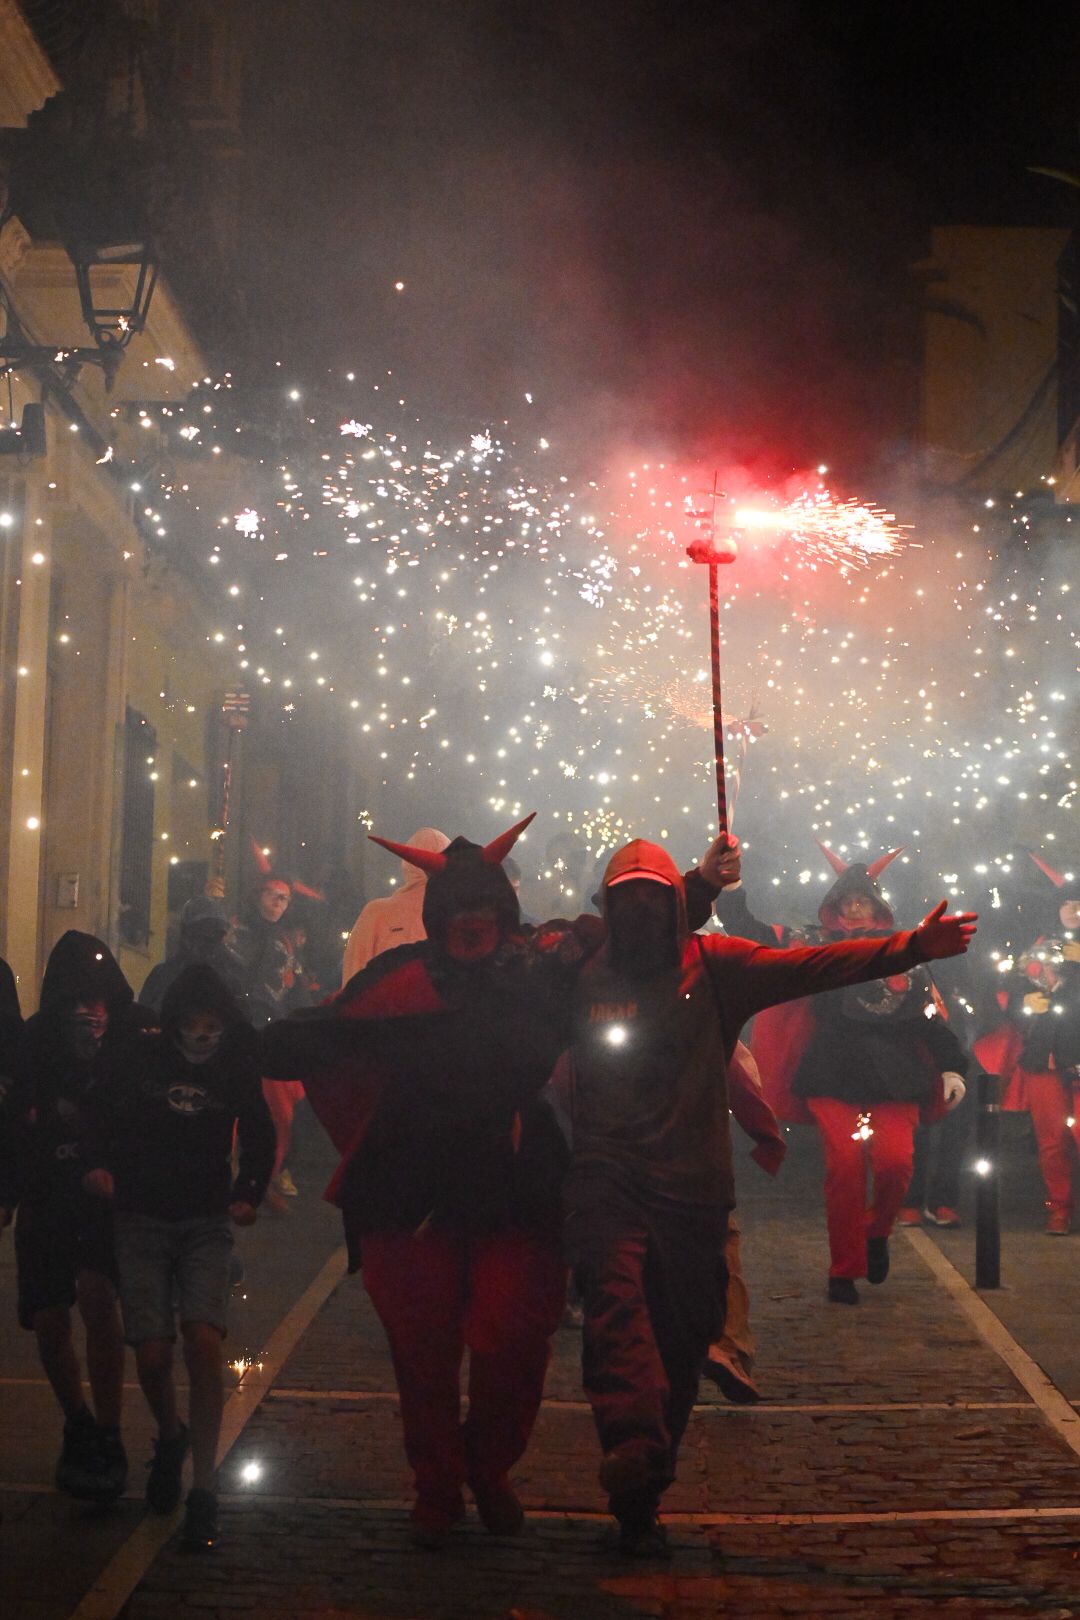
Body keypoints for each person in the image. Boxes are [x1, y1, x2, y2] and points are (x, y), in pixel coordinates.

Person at [260, 814, 731, 1551]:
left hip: (518, 1186)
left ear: (505, 912)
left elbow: (635, 939)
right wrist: (237, 1043)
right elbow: (332, 1029)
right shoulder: (399, 977)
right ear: (437, 915)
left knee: (515, 1338)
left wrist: (698, 885)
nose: (474, 922)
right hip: (411, 1192)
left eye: (487, 909)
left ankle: (488, 1468)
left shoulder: (544, 966)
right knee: (422, 1353)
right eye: (460, 910)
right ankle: (439, 1487)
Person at [563, 837, 975, 1554]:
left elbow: (817, 965)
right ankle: (630, 1446)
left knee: (688, 1335)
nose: (635, 911)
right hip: (608, 1178)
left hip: (691, 1188)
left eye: (650, 898)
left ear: (670, 908)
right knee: (615, 1312)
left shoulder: (716, 968)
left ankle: (648, 1476)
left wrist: (909, 947)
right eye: (623, 898)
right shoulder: (578, 968)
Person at [717, 846, 970, 1305]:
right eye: (847, 901)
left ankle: (876, 1233)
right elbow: (748, 931)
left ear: (877, 906)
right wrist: (732, 887)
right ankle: (844, 1270)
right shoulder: (811, 942)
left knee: (896, 1167)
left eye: (863, 901)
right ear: (834, 907)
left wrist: (952, 1065)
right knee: (844, 1171)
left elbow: (928, 1015)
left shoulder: (907, 949)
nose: (855, 908)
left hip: (898, 1078)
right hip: (832, 1073)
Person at [82, 964, 274, 1549]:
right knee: (154, 1356)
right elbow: (100, 1109)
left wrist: (247, 1192)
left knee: (204, 1341)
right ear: (172, 1024)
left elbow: (261, 1131)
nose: (200, 1036)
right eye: (190, 1024)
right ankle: (170, 1433)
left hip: (204, 1221)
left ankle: (205, 1488)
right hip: (140, 1217)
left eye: (211, 1025)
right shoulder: (141, 1059)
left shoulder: (234, 1065)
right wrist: (97, 1163)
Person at [0, 933, 149, 1501]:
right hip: (45, 1195)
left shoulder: (133, 1036)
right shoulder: (35, 1041)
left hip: (99, 1199)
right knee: (48, 1317)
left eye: (98, 998)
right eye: (77, 999)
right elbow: (13, 1121)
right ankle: (78, 1420)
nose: (89, 1010)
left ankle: (108, 1431)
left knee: (97, 1296)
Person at [341, 827, 450, 985]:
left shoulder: (377, 913)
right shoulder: (460, 914)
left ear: (407, 862)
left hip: (386, 1007)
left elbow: (353, 978)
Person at [141, 897, 246, 1013]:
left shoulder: (233, 979)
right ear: (187, 935)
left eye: (216, 933)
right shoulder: (163, 976)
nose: (209, 940)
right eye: (202, 931)